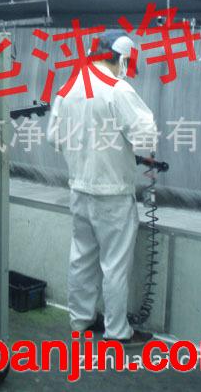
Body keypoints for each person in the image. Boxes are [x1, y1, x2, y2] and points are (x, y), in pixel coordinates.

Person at [47, 29, 158, 345]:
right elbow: (145, 139)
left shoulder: (69, 87)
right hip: (112, 194)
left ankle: (80, 321)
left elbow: (54, 137)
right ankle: (117, 331)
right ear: (122, 58)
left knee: (81, 258)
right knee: (115, 265)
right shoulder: (118, 90)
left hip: (79, 189)